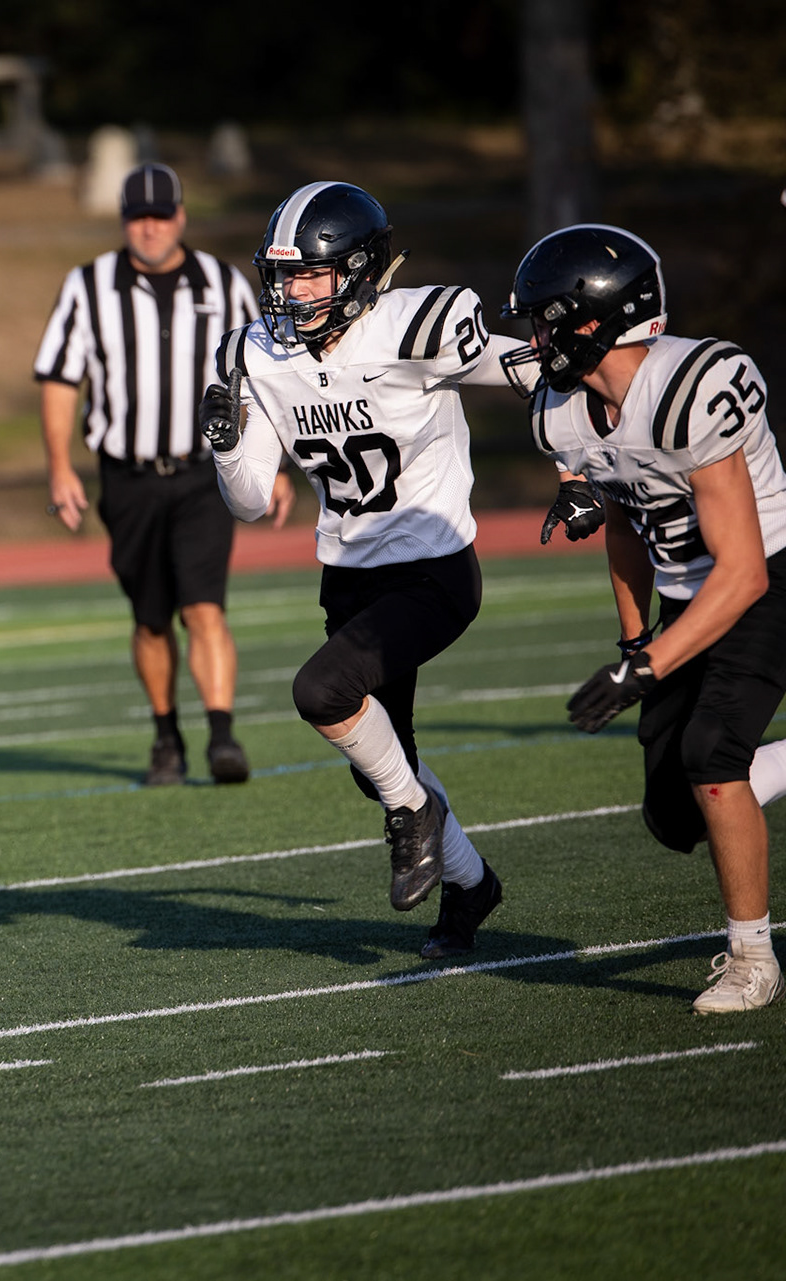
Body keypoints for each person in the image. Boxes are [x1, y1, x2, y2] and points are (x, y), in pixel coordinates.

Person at [201, 181, 522, 958]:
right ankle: (472, 885)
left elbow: (536, 370)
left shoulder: (412, 325)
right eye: (284, 276)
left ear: (362, 270)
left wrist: (587, 461)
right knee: (383, 763)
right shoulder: (261, 354)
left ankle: (414, 818)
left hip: (432, 569)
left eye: (313, 274)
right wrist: (223, 434)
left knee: (323, 691)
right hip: (348, 575)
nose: (294, 292)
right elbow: (247, 501)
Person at [505, 224, 786, 1013]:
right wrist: (634, 637)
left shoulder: (692, 384)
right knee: (671, 815)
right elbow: (627, 521)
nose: (535, 337)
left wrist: (649, 666)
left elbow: (744, 570)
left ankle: (752, 959)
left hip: (766, 577)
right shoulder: (563, 413)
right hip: (684, 593)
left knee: (713, 758)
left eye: (546, 319)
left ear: (594, 321)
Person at [34, 161, 291, 787]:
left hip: (205, 472)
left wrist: (273, 460)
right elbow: (61, 378)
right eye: (137, 217)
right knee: (151, 616)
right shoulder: (88, 286)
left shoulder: (223, 282)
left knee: (204, 607)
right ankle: (166, 734)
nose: (149, 228)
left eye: (160, 215)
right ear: (125, 222)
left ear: (180, 216)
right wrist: (60, 465)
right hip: (128, 476)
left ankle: (223, 735)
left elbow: (264, 374)